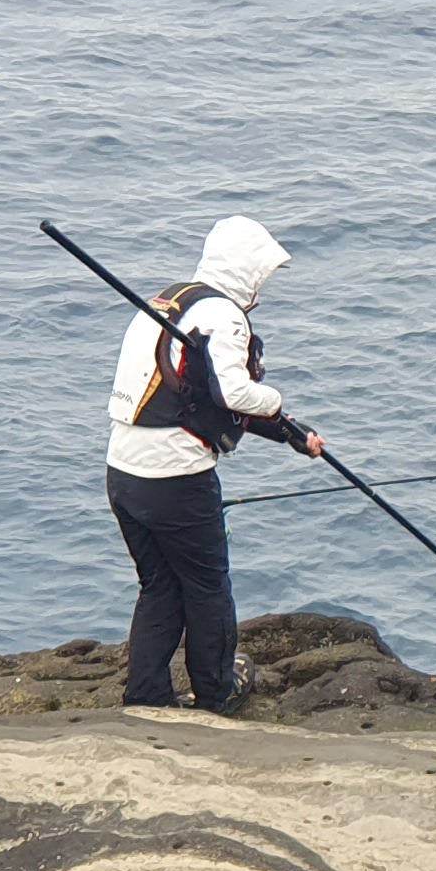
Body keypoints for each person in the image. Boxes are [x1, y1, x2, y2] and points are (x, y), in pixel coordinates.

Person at [103, 215, 324, 711]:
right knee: (207, 587)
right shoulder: (224, 317)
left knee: (159, 586)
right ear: (246, 271)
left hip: (123, 472)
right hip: (176, 478)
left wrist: (292, 433)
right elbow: (234, 392)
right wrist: (276, 399)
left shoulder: (169, 303)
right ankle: (216, 694)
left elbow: (203, 399)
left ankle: (147, 696)